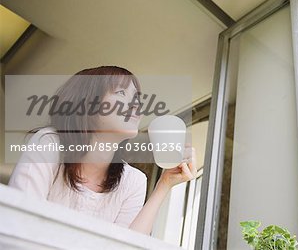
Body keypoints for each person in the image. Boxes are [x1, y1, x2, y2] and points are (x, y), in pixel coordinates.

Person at [8, 66, 197, 235]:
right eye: (121, 93)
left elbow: (126, 246)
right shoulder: (49, 143)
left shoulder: (134, 181)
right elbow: (19, 222)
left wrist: (164, 184)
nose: (136, 105)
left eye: (137, 98)